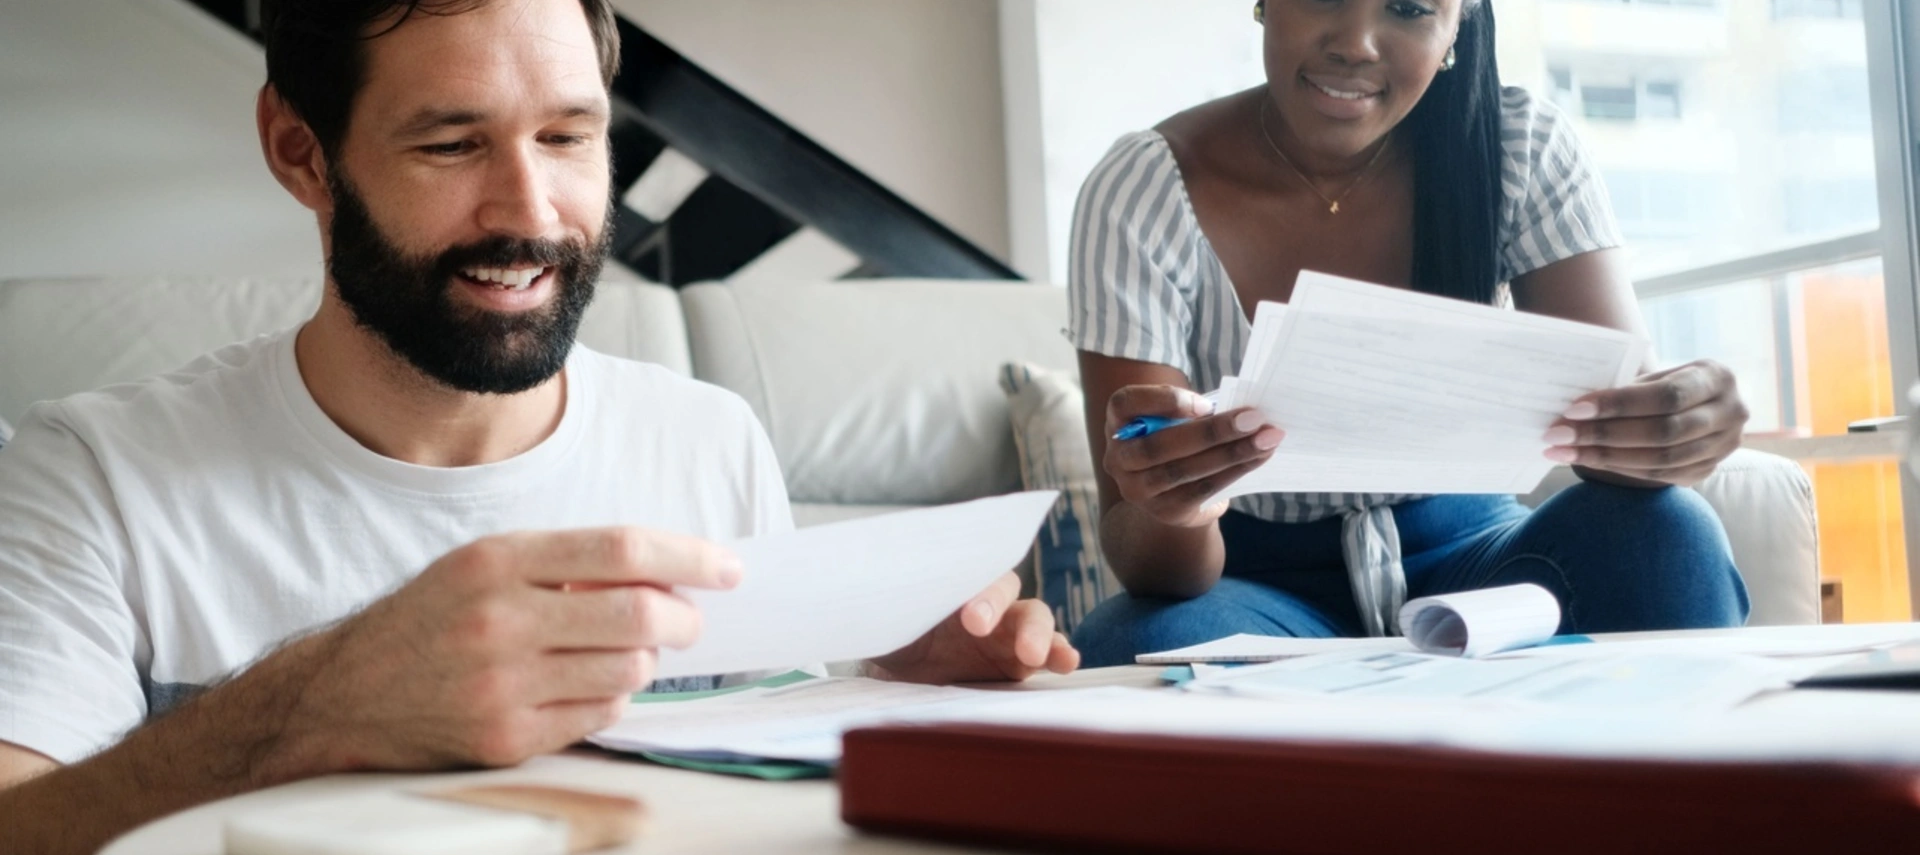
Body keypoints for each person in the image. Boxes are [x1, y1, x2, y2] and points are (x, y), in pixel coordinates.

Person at [0, 1, 1078, 850]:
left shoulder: (705, 440)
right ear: (300, 151)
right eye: (451, 144)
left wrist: (889, 690)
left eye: (568, 135)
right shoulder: (96, 476)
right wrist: (315, 708)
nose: (530, 211)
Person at [1068, 0, 1752, 667]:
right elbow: (1151, 565)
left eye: (1408, 8)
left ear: (1459, 23)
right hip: (1249, 584)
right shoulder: (1143, 190)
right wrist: (1174, 505)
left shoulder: (1519, 145)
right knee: (1139, 644)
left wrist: (1675, 427)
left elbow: (1618, 444)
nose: (1356, 43)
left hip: (1480, 560)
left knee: (1671, 536)